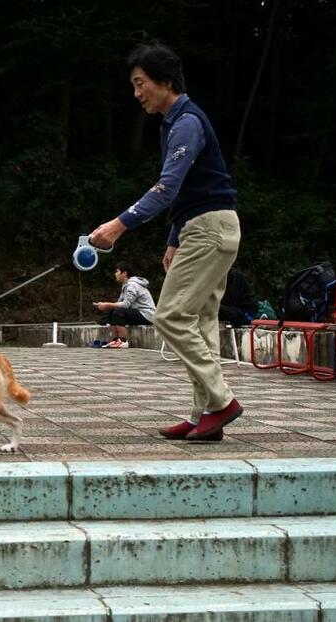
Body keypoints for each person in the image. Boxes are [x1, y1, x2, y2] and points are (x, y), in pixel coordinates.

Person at [90, 42, 242, 442]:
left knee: (171, 316)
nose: (136, 93)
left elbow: (166, 187)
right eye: (134, 85)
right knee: (203, 322)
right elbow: (188, 189)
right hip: (208, 226)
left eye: (141, 83)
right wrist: (175, 238)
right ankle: (204, 416)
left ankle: (222, 401)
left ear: (165, 81)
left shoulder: (187, 121)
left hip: (209, 229)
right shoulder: (176, 123)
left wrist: (118, 225)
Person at [93, 261, 155, 348]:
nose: (115, 274)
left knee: (119, 312)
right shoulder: (126, 285)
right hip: (138, 312)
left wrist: (107, 304)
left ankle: (123, 341)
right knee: (112, 310)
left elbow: (125, 305)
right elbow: (119, 303)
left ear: (124, 273)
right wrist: (106, 305)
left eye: (117, 271)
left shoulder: (132, 285)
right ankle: (116, 340)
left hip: (147, 315)